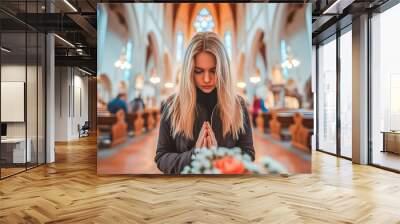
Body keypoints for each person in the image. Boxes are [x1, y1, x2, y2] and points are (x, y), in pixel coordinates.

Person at [155, 32, 255, 174]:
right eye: (198, 71)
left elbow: (248, 154)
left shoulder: (238, 105)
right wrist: (194, 155)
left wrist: (218, 157)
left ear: (223, 71)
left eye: (214, 71)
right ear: (189, 71)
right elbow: (162, 157)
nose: (207, 79)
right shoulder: (171, 105)